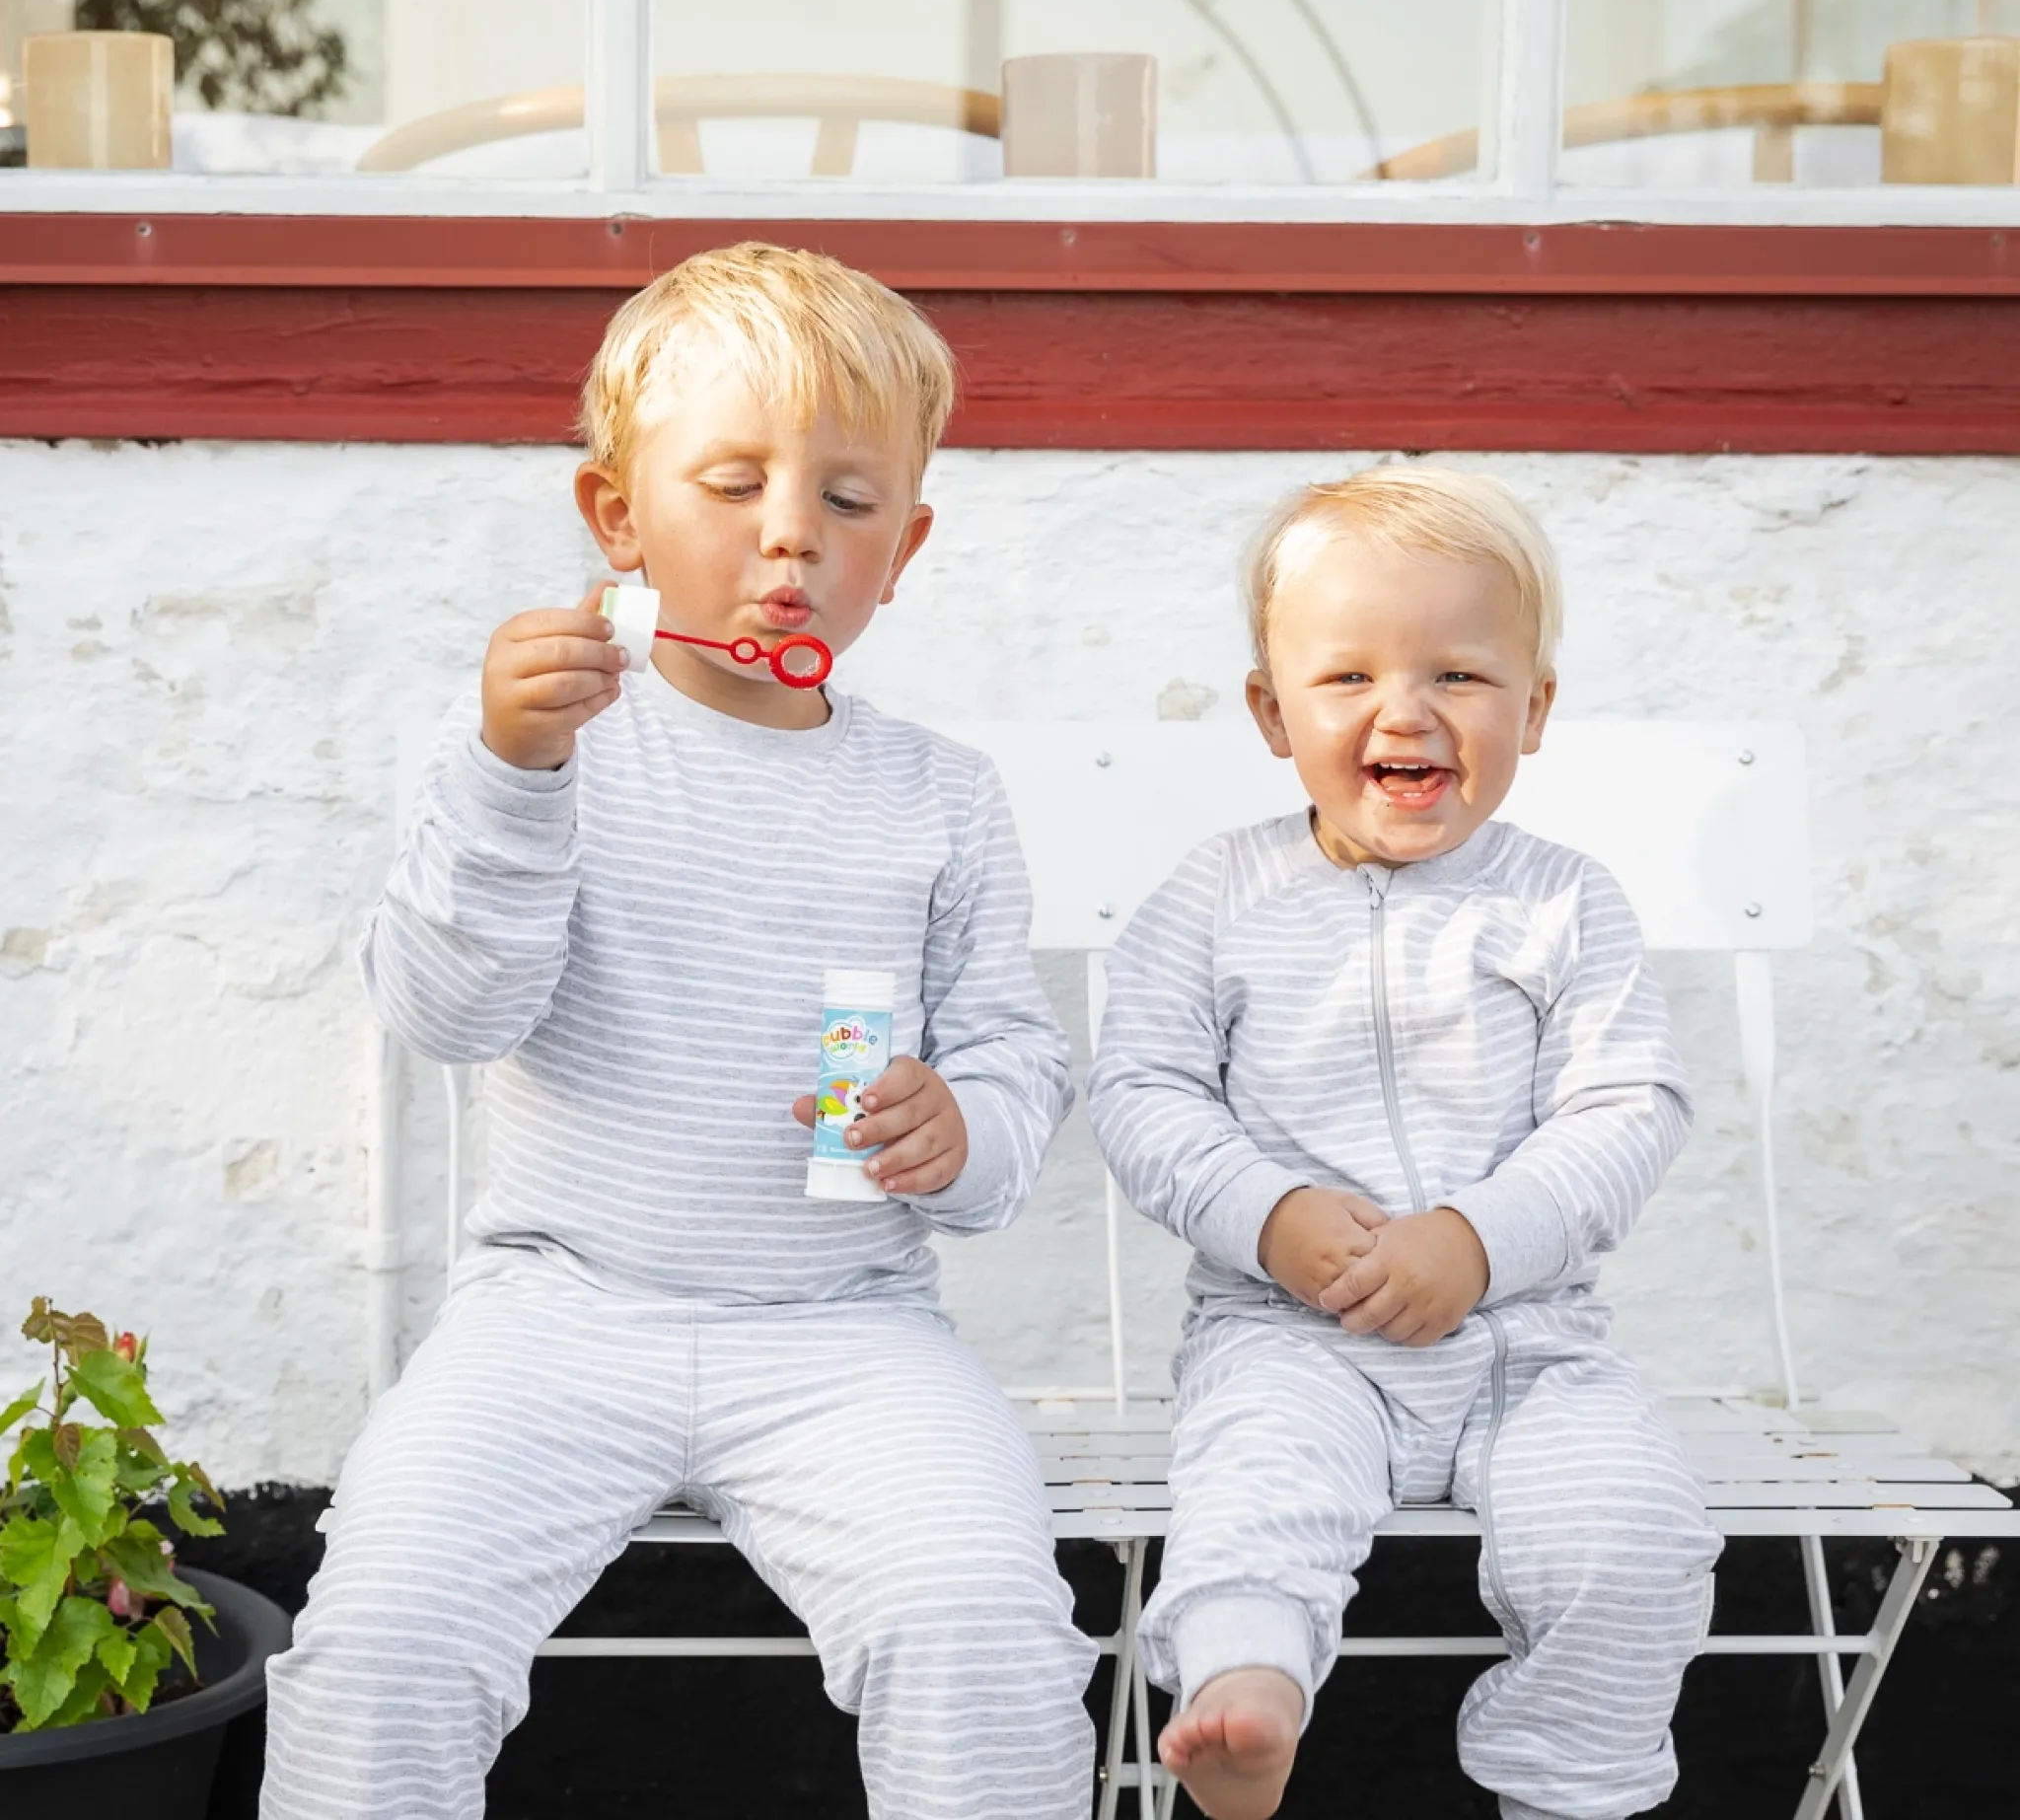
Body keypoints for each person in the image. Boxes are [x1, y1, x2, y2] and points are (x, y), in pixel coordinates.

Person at [261, 243, 1095, 1820]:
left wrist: (962, 1125)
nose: (792, 534)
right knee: (382, 1638)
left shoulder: (939, 797)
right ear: (617, 520)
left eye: (850, 505)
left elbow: (1011, 1053)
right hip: (556, 1318)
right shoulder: (551, 735)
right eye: (732, 485)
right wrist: (514, 773)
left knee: (984, 1631)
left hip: (849, 1332)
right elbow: (448, 1011)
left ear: (903, 551)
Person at [1089, 466, 1720, 1820]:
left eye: (1461, 674)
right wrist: (1270, 1213)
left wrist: (1480, 1242)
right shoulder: (1216, 897)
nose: (1406, 710)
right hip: (1292, 1334)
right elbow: (1142, 1092)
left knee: (1631, 1536)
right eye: (1347, 677)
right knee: (1257, 1493)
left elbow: (1630, 1107)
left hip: (1533, 1346)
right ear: (1271, 712)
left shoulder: (1563, 902)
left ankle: (1576, 1783)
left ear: (1534, 708)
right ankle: (1247, 1695)